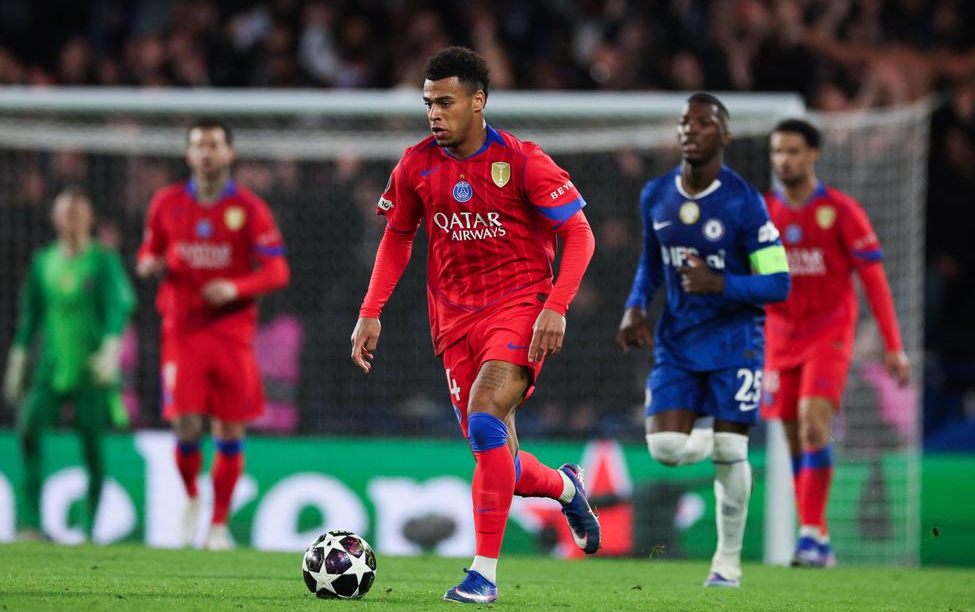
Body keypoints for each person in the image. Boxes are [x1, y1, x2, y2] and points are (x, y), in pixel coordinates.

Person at [350, 46, 598, 604]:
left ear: (478, 100)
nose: (434, 113)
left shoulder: (523, 159)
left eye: (446, 101)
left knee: (486, 414)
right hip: (454, 322)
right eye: (428, 103)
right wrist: (371, 311)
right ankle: (565, 485)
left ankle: (482, 575)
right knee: (498, 460)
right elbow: (397, 236)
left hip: (520, 308)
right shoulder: (415, 165)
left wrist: (556, 306)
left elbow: (579, 233)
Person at [616, 93, 791, 588]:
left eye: (704, 122)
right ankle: (728, 444)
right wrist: (634, 305)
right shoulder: (656, 194)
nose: (691, 129)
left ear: (725, 136)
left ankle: (727, 563)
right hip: (677, 342)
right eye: (684, 122)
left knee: (729, 461)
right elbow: (652, 261)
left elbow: (779, 283)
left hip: (736, 343)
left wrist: (722, 284)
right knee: (667, 446)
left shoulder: (744, 201)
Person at [762, 118, 911, 567]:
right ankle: (819, 537)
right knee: (792, 439)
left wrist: (893, 345)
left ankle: (807, 535)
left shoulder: (841, 211)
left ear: (813, 155)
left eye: (791, 151)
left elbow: (875, 280)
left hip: (830, 333)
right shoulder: (765, 212)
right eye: (776, 152)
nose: (783, 160)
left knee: (812, 424)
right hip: (780, 336)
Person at [137, 119, 290, 550]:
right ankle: (190, 496)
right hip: (182, 329)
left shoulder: (250, 209)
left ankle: (219, 525)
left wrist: (235, 287)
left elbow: (279, 270)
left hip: (231, 333)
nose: (206, 152)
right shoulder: (165, 203)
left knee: (229, 428)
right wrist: (149, 263)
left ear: (229, 155)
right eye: (198, 145)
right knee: (186, 426)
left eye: (214, 145)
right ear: (189, 156)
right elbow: (149, 249)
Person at [3, 187, 136, 541]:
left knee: (92, 448)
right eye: (66, 213)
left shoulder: (102, 260)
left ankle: (91, 529)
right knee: (28, 429)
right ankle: (29, 522)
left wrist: (111, 348)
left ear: (90, 219)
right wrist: (17, 359)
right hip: (50, 366)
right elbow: (29, 316)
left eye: (79, 213)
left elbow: (120, 305)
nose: (72, 220)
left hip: (91, 369)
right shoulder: (43, 261)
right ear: (55, 219)